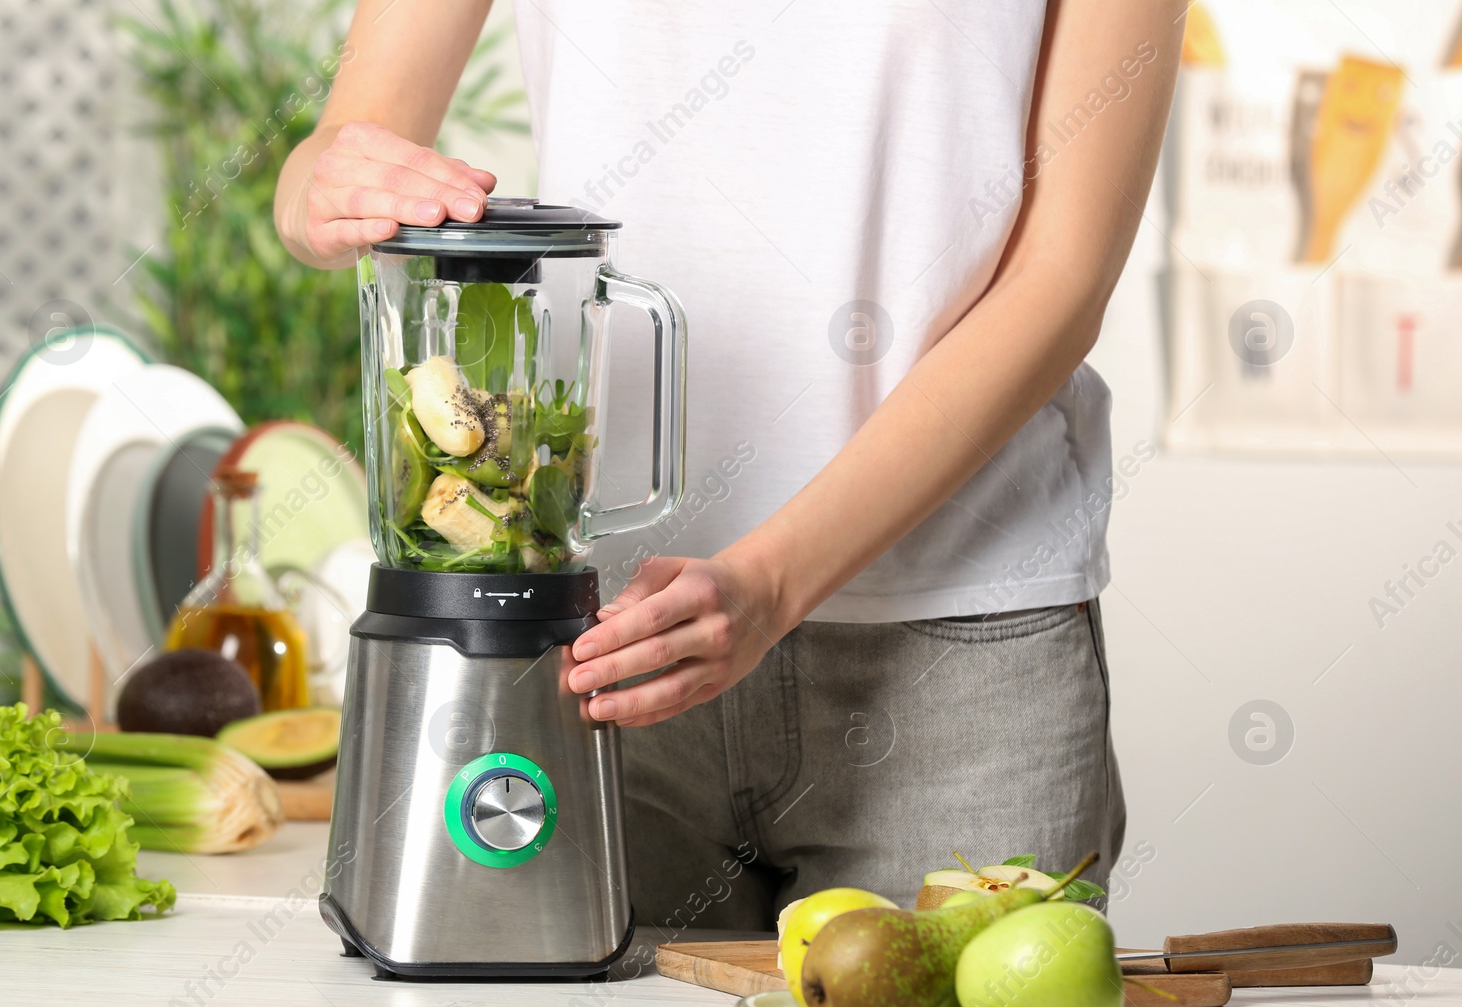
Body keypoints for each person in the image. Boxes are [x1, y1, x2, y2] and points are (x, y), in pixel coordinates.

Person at [276, 0, 1182, 927]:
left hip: (957, 671)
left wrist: (771, 581)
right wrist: (323, 188)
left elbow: (1062, 278)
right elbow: (336, 154)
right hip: (609, 648)